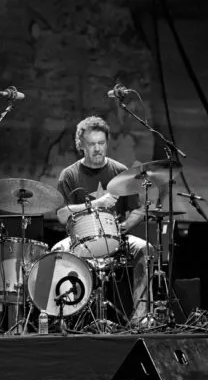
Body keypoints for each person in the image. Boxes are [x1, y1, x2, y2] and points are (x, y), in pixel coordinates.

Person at [51, 116, 154, 325]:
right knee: (56, 253)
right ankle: (62, 319)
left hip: (116, 239)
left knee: (146, 249)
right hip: (79, 241)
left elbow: (138, 209)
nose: (97, 149)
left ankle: (140, 318)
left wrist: (126, 225)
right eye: (91, 144)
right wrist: (97, 203)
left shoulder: (120, 172)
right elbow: (61, 215)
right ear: (81, 145)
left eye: (101, 143)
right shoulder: (69, 175)